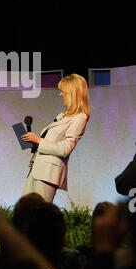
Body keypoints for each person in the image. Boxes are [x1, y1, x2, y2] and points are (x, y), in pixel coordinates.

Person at [21, 73, 90, 203]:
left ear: (73, 93)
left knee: (38, 212)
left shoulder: (80, 117)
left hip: (48, 173)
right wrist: (35, 143)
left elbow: (65, 148)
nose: (60, 94)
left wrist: (39, 140)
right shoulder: (64, 115)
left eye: (63, 91)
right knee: (25, 211)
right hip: (37, 168)